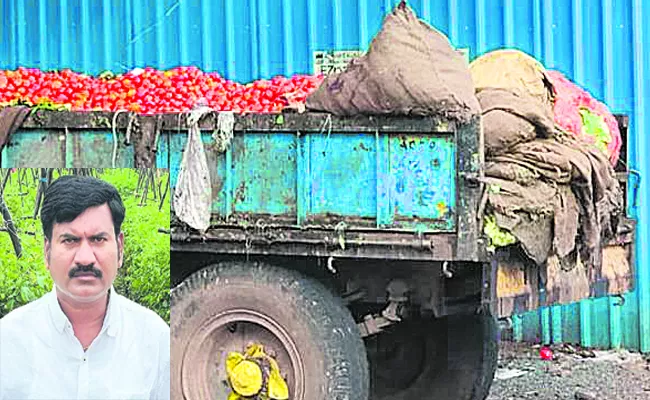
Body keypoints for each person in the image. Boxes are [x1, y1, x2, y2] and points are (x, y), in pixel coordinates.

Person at [0, 175, 170, 400]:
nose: (85, 258)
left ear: (120, 247)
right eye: (70, 240)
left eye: (98, 239)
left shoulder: (155, 339)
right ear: (47, 251)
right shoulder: (8, 340)